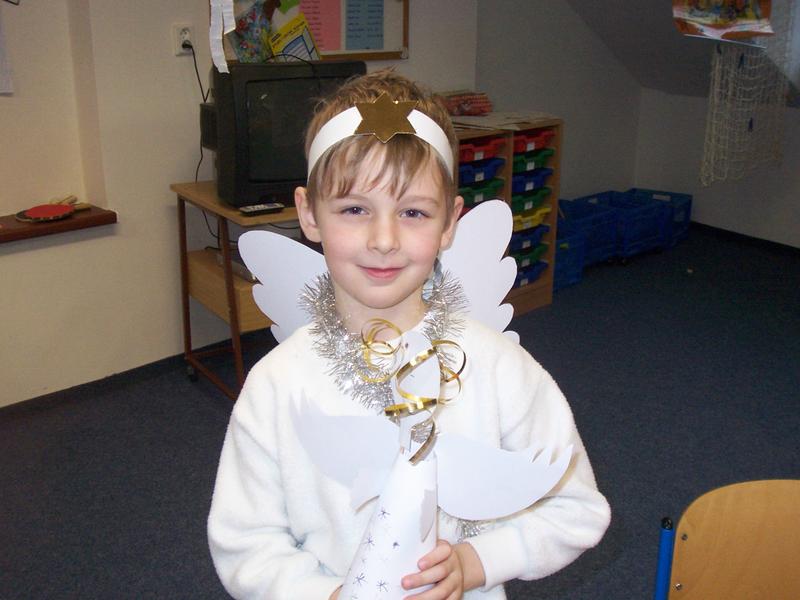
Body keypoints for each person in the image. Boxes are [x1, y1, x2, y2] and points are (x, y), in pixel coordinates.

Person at [207, 69, 610, 600]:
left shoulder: (497, 368)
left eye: (414, 212)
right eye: (355, 209)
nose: (384, 239)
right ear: (309, 214)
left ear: (449, 223)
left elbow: (576, 507)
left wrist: (477, 562)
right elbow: (245, 543)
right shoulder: (276, 385)